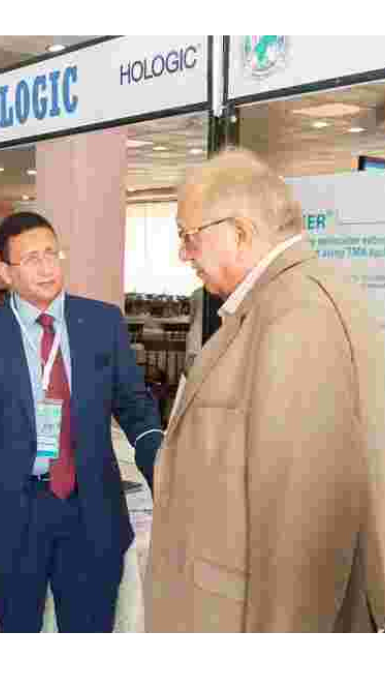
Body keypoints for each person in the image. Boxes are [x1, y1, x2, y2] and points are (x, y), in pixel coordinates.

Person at [145, 148, 385, 634]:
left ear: (239, 232)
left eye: (189, 236)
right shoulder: (277, 304)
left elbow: (303, 527)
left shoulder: (298, 316)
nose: (183, 254)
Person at [0, 211, 163, 634]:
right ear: (5, 272)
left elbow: (134, 403)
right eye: (31, 259)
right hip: (12, 515)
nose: (46, 267)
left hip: (91, 512)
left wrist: (159, 457)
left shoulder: (101, 322)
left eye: (51, 254)